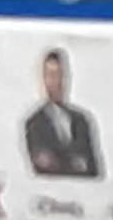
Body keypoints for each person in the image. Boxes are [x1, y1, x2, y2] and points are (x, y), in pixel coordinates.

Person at [23, 47, 101, 179]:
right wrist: (75, 164)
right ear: (44, 79)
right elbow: (45, 166)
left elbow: (94, 169)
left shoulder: (81, 121)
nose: (57, 82)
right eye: (52, 75)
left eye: (60, 75)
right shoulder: (35, 123)